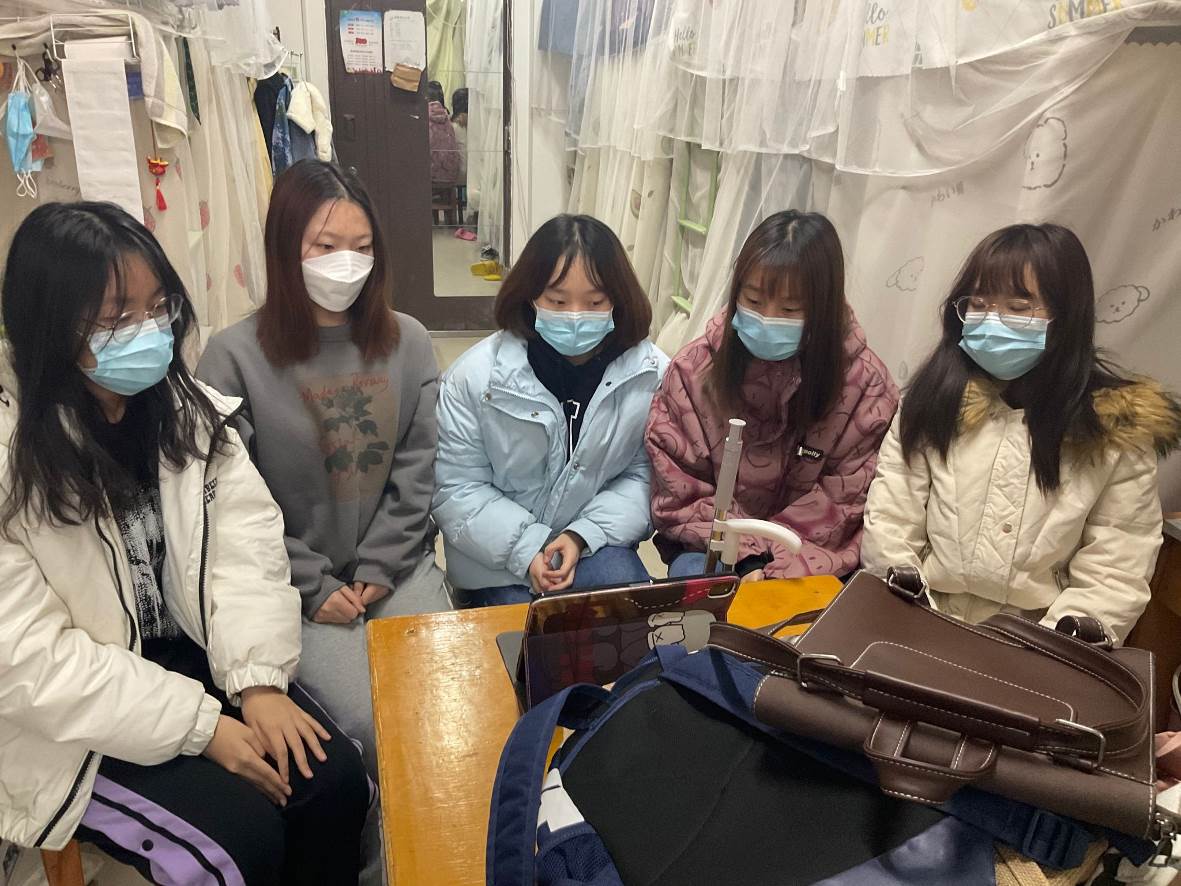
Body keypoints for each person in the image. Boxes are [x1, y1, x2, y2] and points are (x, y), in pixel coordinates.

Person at [0, 202, 368, 885]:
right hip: (72, 724)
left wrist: (259, 682)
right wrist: (205, 728)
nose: (149, 332)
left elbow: (248, 548)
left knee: (334, 784)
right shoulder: (13, 454)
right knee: (239, 844)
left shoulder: (184, 410)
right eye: (117, 318)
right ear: (48, 325)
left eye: (158, 307)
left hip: (196, 653)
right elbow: (27, 662)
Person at [197, 160, 449, 801]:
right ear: (286, 249)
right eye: (325, 246)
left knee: (440, 699)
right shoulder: (232, 358)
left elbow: (418, 468)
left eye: (362, 248)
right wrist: (311, 582)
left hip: (395, 569)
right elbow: (230, 506)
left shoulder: (410, 341)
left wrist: (383, 563)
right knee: (367, 724)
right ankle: (377, 849)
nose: (347, 264)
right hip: (289, 584)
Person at [862, 223, 1181, 644]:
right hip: (920, 621)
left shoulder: (1113, 431)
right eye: (978, 304)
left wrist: (1044, 649)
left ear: (1066, 317)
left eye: (1018, 306)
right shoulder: (931, 403)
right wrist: (917, 618)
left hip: (1039, 641)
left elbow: (1116, 567)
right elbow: (891, 522)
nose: (992, 321)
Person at [646, 210, 899, 581]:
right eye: (753, 301)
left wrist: (774, 562)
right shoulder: (693, 372)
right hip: (712, 548)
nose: (767, 318)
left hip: (811, 556)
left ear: (824, 310)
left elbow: (846, 500)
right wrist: (744, 557)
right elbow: (680, 486)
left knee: (809, 617)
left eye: (790, 309)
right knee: (699, 606)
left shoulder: (865, 387)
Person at [433, 214, 668, 607]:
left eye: (595, 302)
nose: (575, 315)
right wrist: (529, 549)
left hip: (596, 545)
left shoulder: (650, 373)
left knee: (629, 623)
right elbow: (457, 487)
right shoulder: (473, 378)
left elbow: (646, 477)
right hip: (496, 560)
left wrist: (581, 536)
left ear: (618, 299)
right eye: (557, 301)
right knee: (520, 638)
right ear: (530, 296)